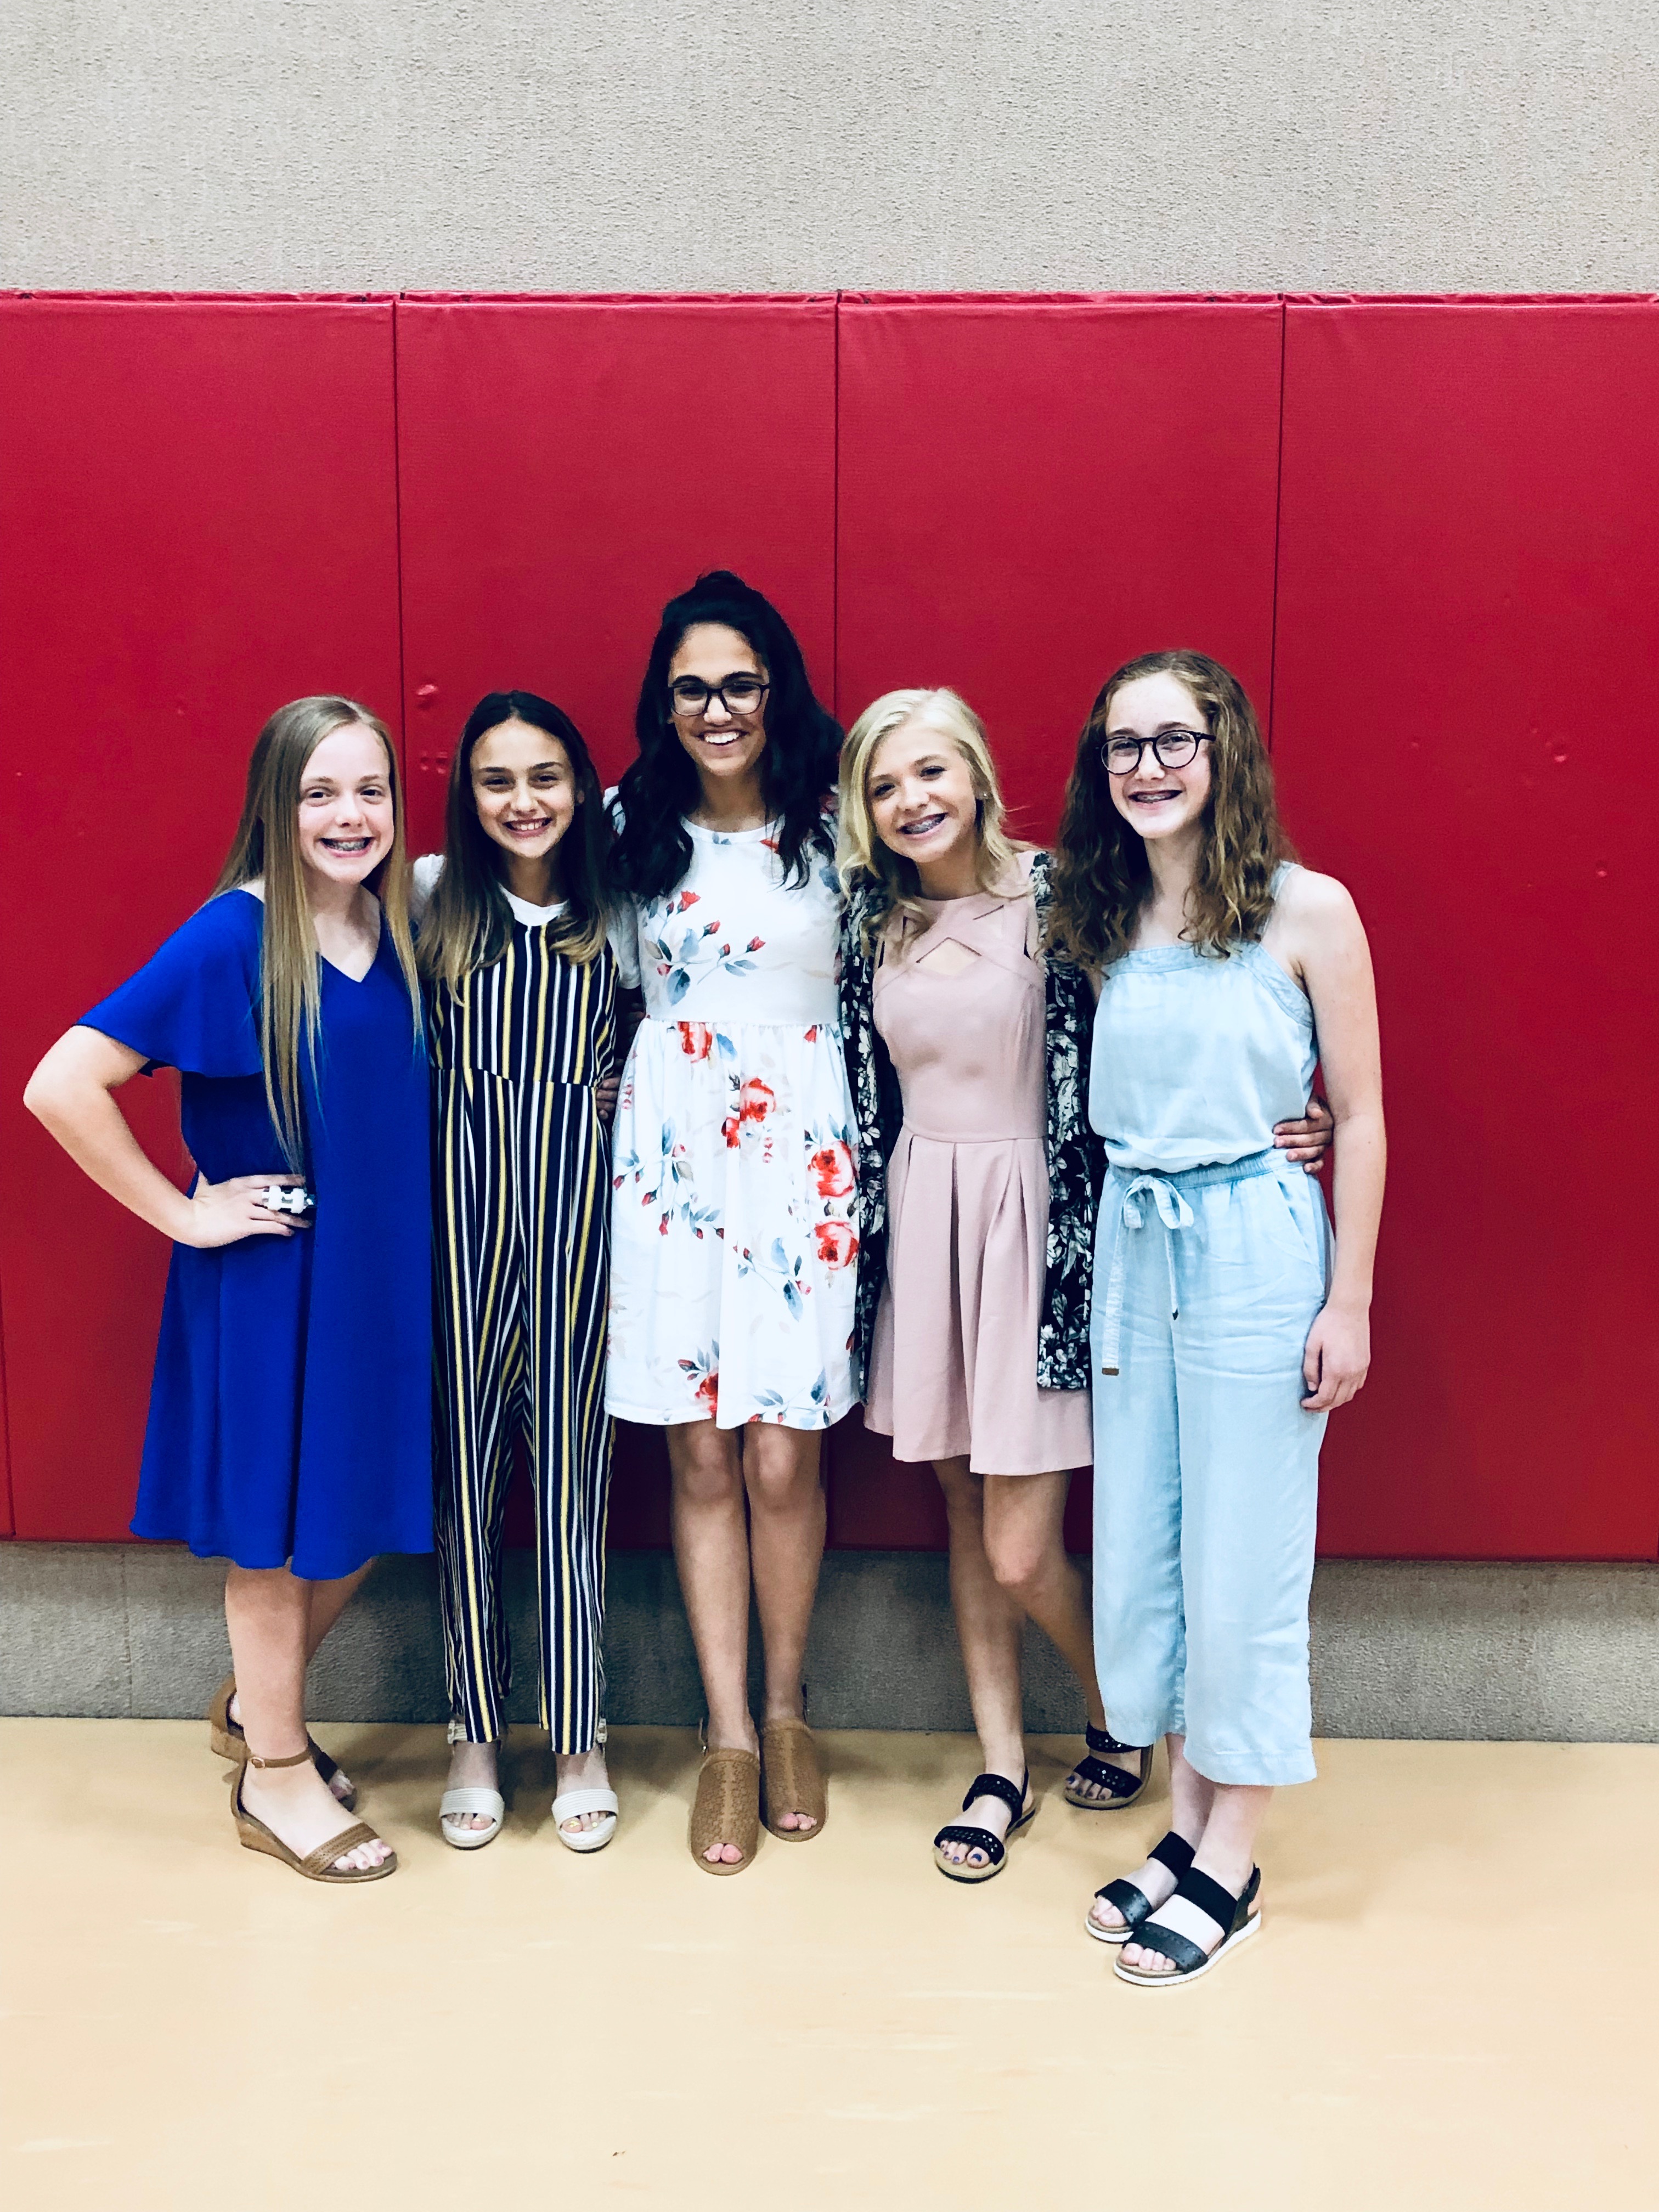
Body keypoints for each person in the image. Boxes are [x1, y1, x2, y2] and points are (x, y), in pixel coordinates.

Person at [837, 688, 1332, 1882]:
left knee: (1020, 1547)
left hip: (1047, 1230)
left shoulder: (1069, 896)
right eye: (883, 786)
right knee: (962, 1512)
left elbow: (1179, 1027)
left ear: (977, 773)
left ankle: (1125, 1712)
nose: (912, 801)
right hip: (927, 1222)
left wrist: (1285, 1117)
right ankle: (1002, 1761)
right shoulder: (868, 922)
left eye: (930, 772)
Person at [24, 696, 432, 1884]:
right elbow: (61, 1084)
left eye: (371, 791)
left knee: (362, 1512)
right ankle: (276, 1774)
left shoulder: (391, 924)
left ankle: (259, 1704)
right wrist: (186, 1213)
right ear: (273, 806)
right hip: (276, 1285)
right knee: (273, 1540)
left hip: (380, 1281)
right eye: (320, 793)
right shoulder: (233, 935)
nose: (350, 816)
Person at [1048, 649, 1385, 1986]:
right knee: (1150, 1550)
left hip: (1256, 1246)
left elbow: (1361, 1117)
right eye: (1123, 746)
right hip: (1137, 1248)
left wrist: (1349, 1299)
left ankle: (1232, 1861)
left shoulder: (1308, 910)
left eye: (1174, 740)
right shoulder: (1102, 911)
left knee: (1245, 1558)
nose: (1148, 768)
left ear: (1225, 747)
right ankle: (1186, 1829)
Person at [607, 571, 853, 1874]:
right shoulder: (623, 827)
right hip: (672, 1164)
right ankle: (727, 1737)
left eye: (740, 684)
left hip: (802, 1159)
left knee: (780, 1458)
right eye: (692, 688)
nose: (717, 709)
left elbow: (984, 893)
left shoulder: (840, 826)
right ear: (665, 702)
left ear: (777, 691)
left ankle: (789, 1707)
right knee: (700, 1457)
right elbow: (482, 890)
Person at [414, 691, 624, 1853]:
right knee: (465, 1483)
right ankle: (475, 1733)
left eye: (545, 776)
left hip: (583, 1228)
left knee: (572, 1485)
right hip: (458, 1225)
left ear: (581, 786)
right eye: (497, 780)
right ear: (469, 793)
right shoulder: (431, 898)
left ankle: (579, 1738)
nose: (523, 800)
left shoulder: (616, 909)